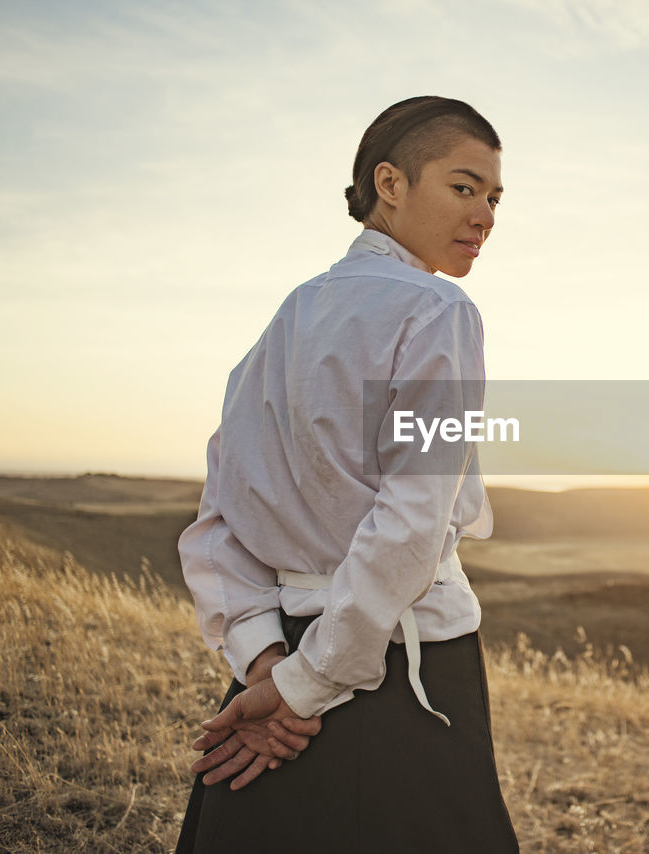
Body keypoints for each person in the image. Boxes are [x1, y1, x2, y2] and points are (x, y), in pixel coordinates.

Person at [175, 96, 519, 853]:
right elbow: (412, 521)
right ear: (389, 184)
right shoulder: (439, 310)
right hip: (402, 672)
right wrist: (302, 685)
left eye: (494, 197)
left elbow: (218, 519)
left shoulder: (289, 315)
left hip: (280, 667)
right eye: (464, 188)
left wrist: (268, 663)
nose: (486, 215)